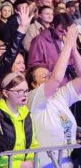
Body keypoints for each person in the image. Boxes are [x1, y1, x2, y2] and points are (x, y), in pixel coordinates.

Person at [27, 24, 81, 168]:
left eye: (48, 74)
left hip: (70, 163)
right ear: (33, 84)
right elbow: (56, 78)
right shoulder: (33, 98)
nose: (49, 78)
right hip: (48, 164)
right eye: (44, 76)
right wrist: (66, 47)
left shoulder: (59, 97)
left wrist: (74, 49)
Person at [0, 72, 39, 168]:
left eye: (26, 91)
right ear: (5, 93)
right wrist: (18, 165)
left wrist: (33, 163)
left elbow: (33, 145)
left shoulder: (27, 114)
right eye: (19, 91)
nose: (24, 95)